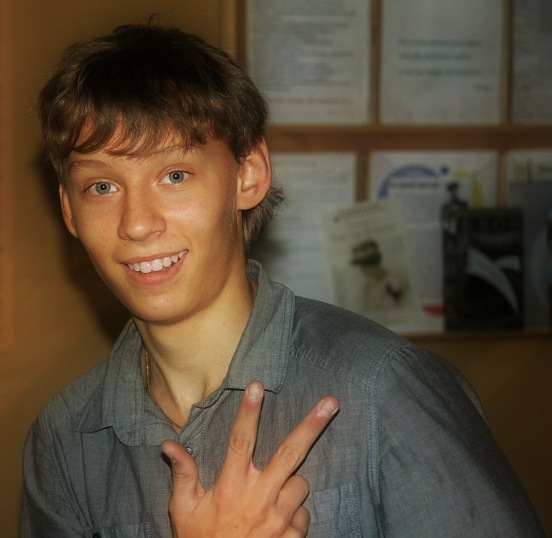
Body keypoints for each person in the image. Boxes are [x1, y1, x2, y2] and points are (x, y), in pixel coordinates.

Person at [20, 24, 544, 537]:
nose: (136, 223)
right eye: (102, 186)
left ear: (247, 174)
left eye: (174, 176)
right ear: (69, 210)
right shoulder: (65, 440)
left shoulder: (384, 391)